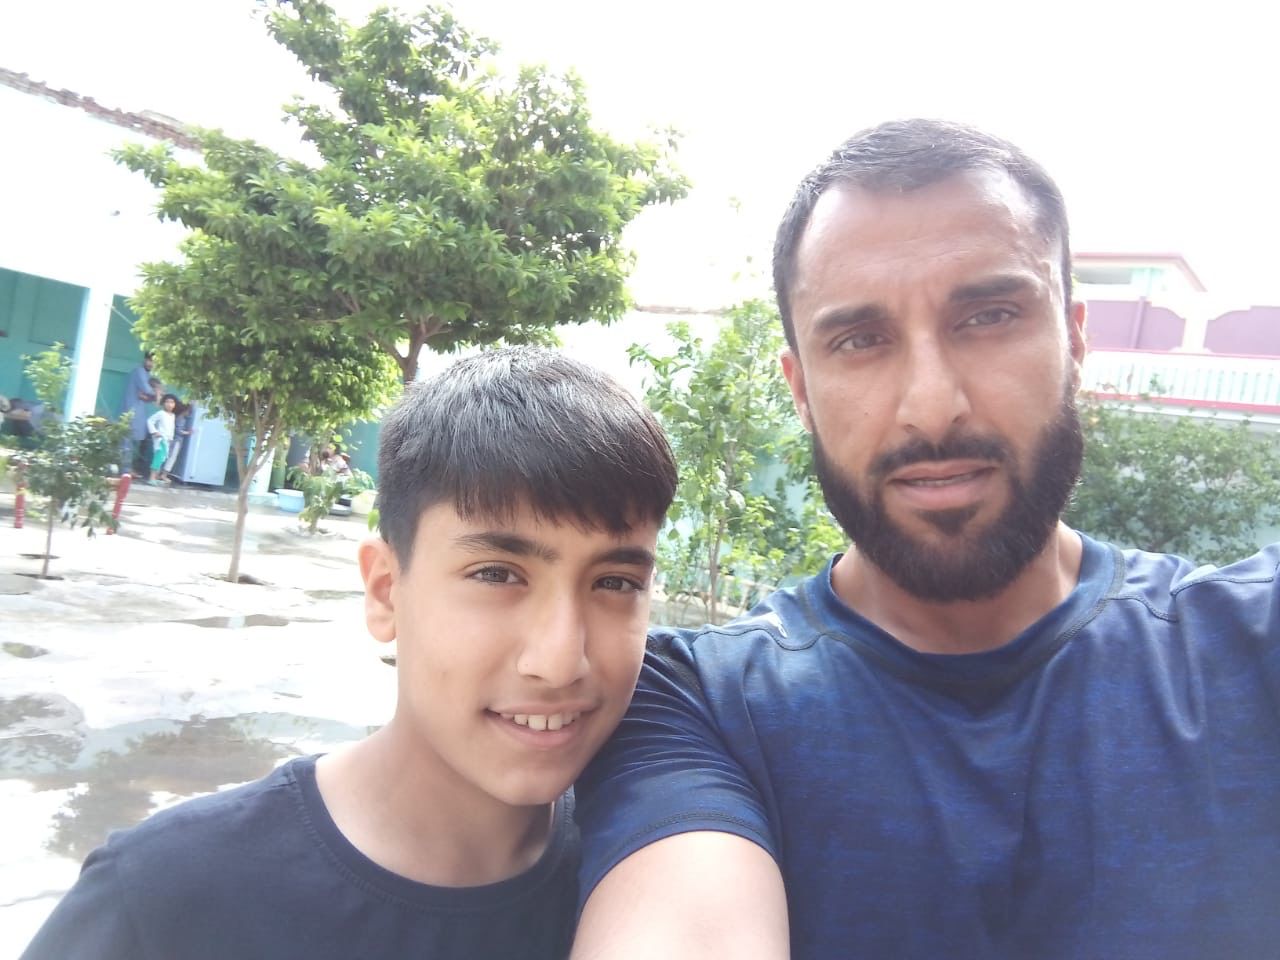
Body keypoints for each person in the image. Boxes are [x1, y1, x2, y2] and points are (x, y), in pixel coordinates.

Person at [571, 119, 1280, 960]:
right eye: (861, 340)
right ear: (801, 388)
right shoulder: (696, 706)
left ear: (1075, 342)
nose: (932, 406)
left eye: (988, 316)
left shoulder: (1250, 644)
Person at [22, 347, 678, 960]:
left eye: (615, 583)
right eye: (497, 574)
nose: (561, 660)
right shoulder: (164, 899)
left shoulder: (653, 884)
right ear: (387, 592)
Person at [118, 352, 157, 473]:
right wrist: (159, 392)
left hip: (137, 412)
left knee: (132, 440)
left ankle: (127, 468)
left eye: (154, 362)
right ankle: (125, 470)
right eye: (150, 360)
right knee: (126, 441)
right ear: (145, 359)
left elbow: (146, 395)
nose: (151, 364)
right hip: (130, 412)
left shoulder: (146, 374)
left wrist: (154, 395)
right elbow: (146, 390)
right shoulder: (139, 371)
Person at [146, 393, 178, 484]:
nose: (169, 404)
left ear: (174, 404)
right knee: (158, 458)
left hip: (167, 441)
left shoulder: (173, 415)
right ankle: (151, 478)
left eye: (172, 402)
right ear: (163, 403)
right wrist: (155, 432)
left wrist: (171, 438)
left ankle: (155, 478)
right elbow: (150, 421)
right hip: (160, 440)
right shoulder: (161, 413)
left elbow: (171, 428)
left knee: (162, 459)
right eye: (167, 402)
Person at [158, 400, 193, 482]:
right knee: (172, 458)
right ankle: (164, 475)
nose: (190, 413)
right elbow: (178, 430)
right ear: (185, 410)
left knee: (167, 457)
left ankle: (160, 474)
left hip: (172, 440)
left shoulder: (178, 417)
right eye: (189, 410)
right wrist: (188, 432)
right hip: (176, 441)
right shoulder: (181, 418)